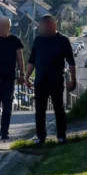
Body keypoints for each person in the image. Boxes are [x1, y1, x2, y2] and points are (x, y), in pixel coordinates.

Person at [25, 14, 77, 144]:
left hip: (56, 81)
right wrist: (26, 77)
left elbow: (71, 62)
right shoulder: (38, 40)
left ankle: (61, 136)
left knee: (59, 109)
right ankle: (40, 137)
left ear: (54, 25)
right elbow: (32, 61)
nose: (46, 29)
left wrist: (73, 79)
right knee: (40, 110)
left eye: (49, 26)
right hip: (40, 81)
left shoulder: (63, 40)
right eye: (44, 26)